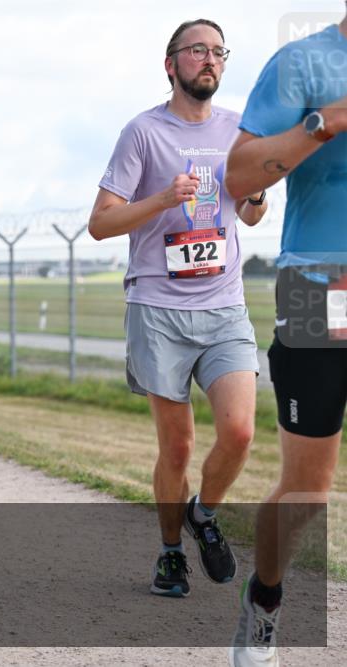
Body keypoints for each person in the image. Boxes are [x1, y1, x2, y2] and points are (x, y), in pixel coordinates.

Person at [88, 20, 268, 598]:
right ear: (172, 64)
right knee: (180, 447)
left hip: (223, 305)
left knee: (239, 432)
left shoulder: (240, 129)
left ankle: (204, 514)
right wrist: (164, 197)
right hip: (158, 309)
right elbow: (100, 224)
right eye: (198, 51)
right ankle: (170, 554)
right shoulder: (142, 133)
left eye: (218, 52)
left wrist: (260, 191)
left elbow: (251, 216)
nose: (210, 60)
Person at [223, 9, 346, 665]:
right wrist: (326, 120)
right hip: (318, 291)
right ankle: (263, 602)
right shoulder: (303, 64)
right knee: (306, 490)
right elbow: (241, 177)